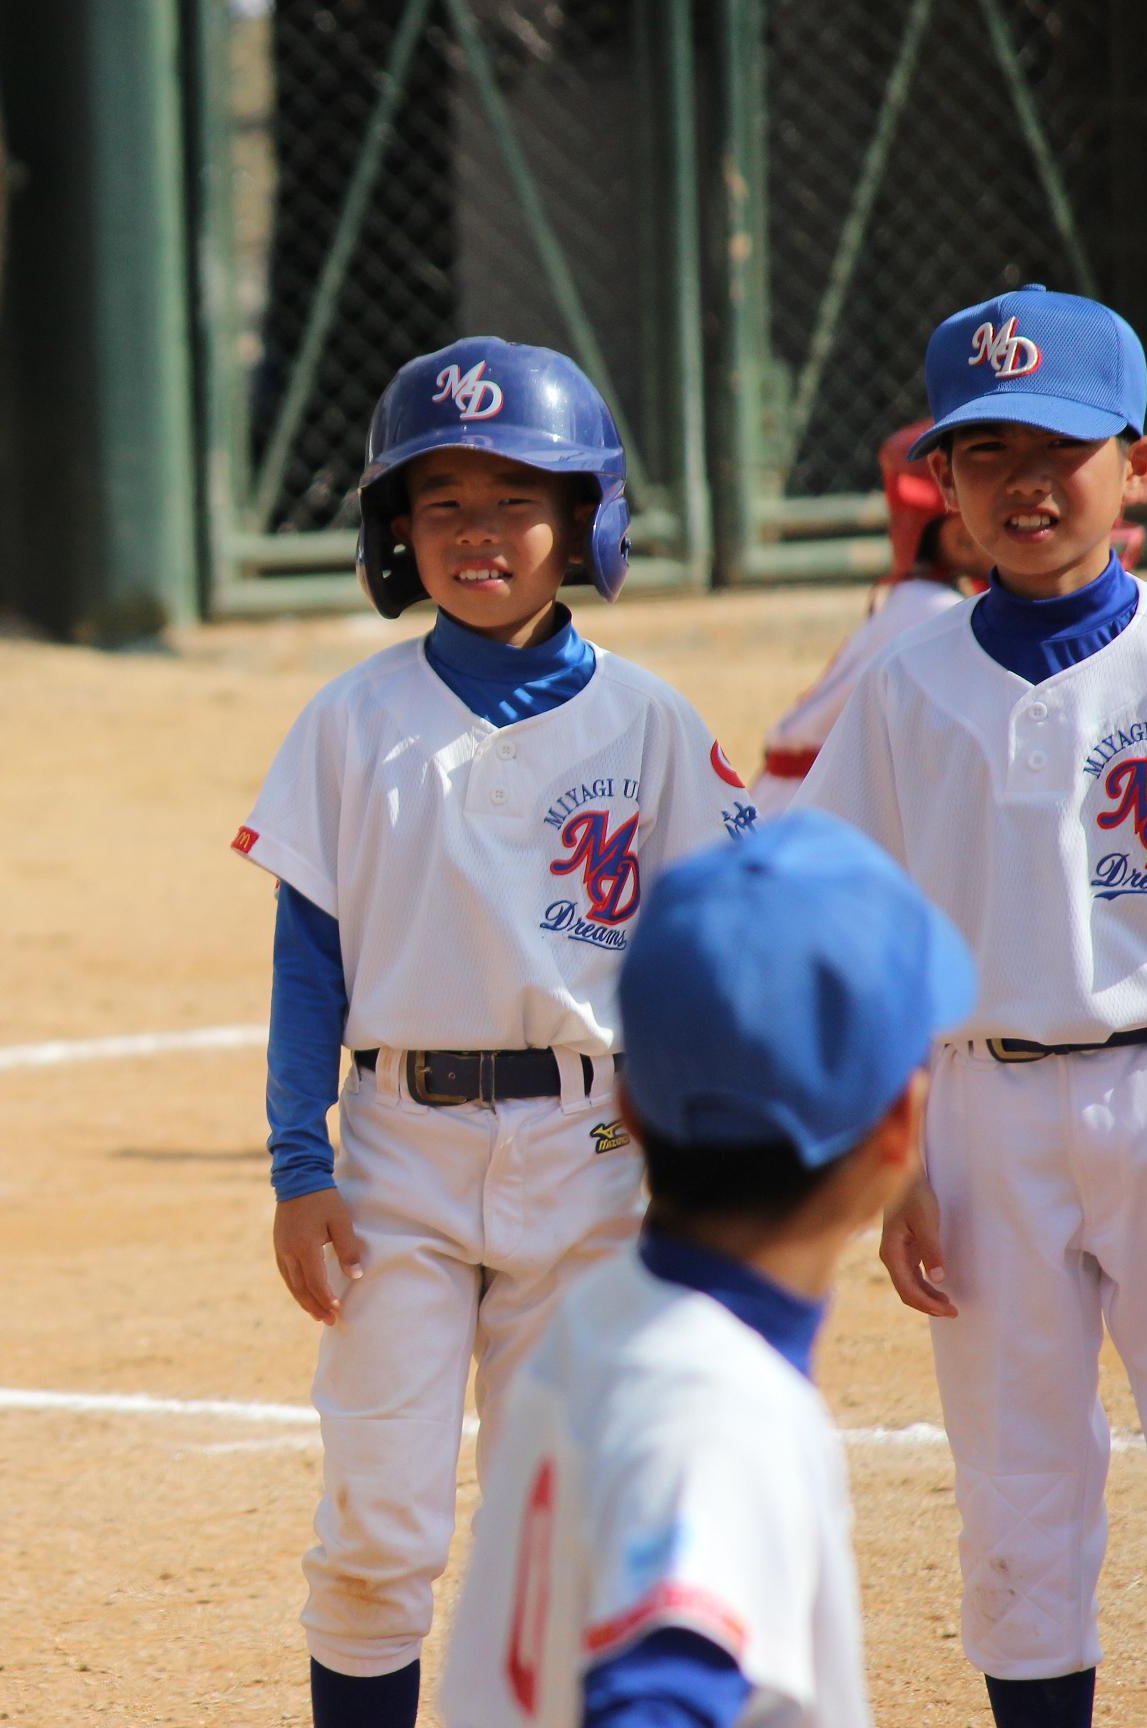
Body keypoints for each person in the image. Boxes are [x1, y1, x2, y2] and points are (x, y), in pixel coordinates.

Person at [234, 336, 758, 1727]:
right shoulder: (352, 719)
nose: (479, 531)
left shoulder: (650, 722)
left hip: (592, 1150)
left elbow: (712, 955)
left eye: (518, 497)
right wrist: (299, 1162)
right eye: (443, 499)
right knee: (375, 1534)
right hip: (397, 1152)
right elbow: (308, 962)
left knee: (559, 1533)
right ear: (396, 530)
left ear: (585, 517)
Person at [796, 284, 1147, 1727]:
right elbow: (855, 938)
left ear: (1139, 465)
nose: (1025, 485)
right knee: (1016, 1491)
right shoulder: (906, 683)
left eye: (1061, 449)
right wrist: (898, 1148)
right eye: (986, 456)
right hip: (977, 1109)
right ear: (946, 488)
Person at [442, 810, 969, 1726]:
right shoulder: (711, 1408)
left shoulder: (611, 1315)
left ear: (630, 1108)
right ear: (900, 1129)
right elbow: (653, 1700)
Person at [747, 420, 1147, 819]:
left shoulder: (922, 600)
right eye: (989, 451)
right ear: (952, 528)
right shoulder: (931, 613)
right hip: (812, 814)